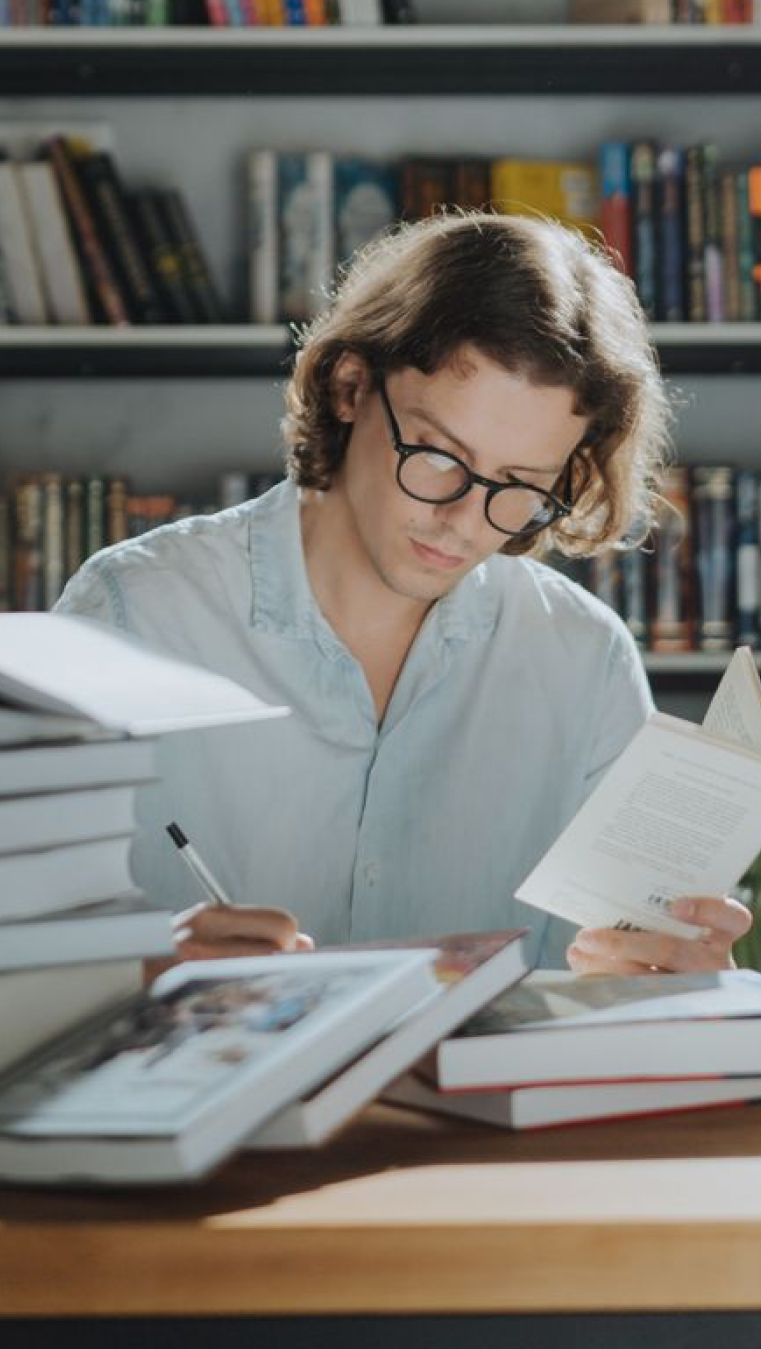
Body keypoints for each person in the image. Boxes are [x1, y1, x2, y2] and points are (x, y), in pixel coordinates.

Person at [54, 211, 751, 975]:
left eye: (520, 486)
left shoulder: (583, 662)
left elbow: (615, 1004)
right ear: (351, 387)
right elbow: (6, 959)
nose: (459, 521)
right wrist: (134, 965)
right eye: (439, 455)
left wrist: (671, 983)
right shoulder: (131, 614)